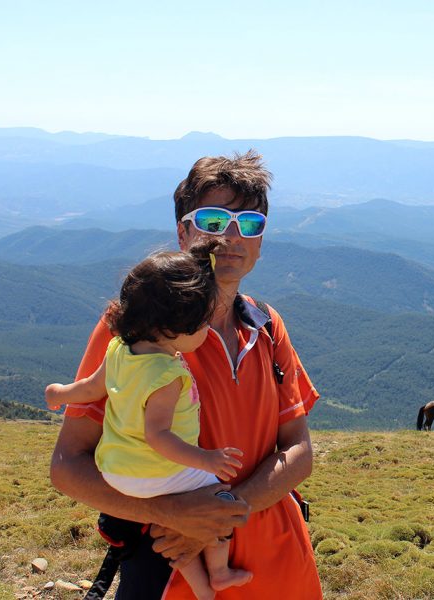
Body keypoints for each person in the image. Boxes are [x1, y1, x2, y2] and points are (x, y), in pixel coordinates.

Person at [50, 151, 323, 599]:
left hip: (280, 562)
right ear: (183, 232)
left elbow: (299, 451)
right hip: (173, 573)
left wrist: (221, 515)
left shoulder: (267, 326)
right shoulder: (133, 328)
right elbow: (67, 466)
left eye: (249, 224)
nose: (231, 237)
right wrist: (174, 514)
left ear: (260, 241)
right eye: (213, 221)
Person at [45, 242, 253, 599]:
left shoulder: (118, 349)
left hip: (115, 472)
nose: (206, 331)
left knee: (171, 524)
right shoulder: (166, 374)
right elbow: (158, 436)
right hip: (153, 472)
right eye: (202, 323)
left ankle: (203, 588)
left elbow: (91, 388)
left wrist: (59, 394)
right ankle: (217, 572)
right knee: (219, 498)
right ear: (175, 327)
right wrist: (206, 459)